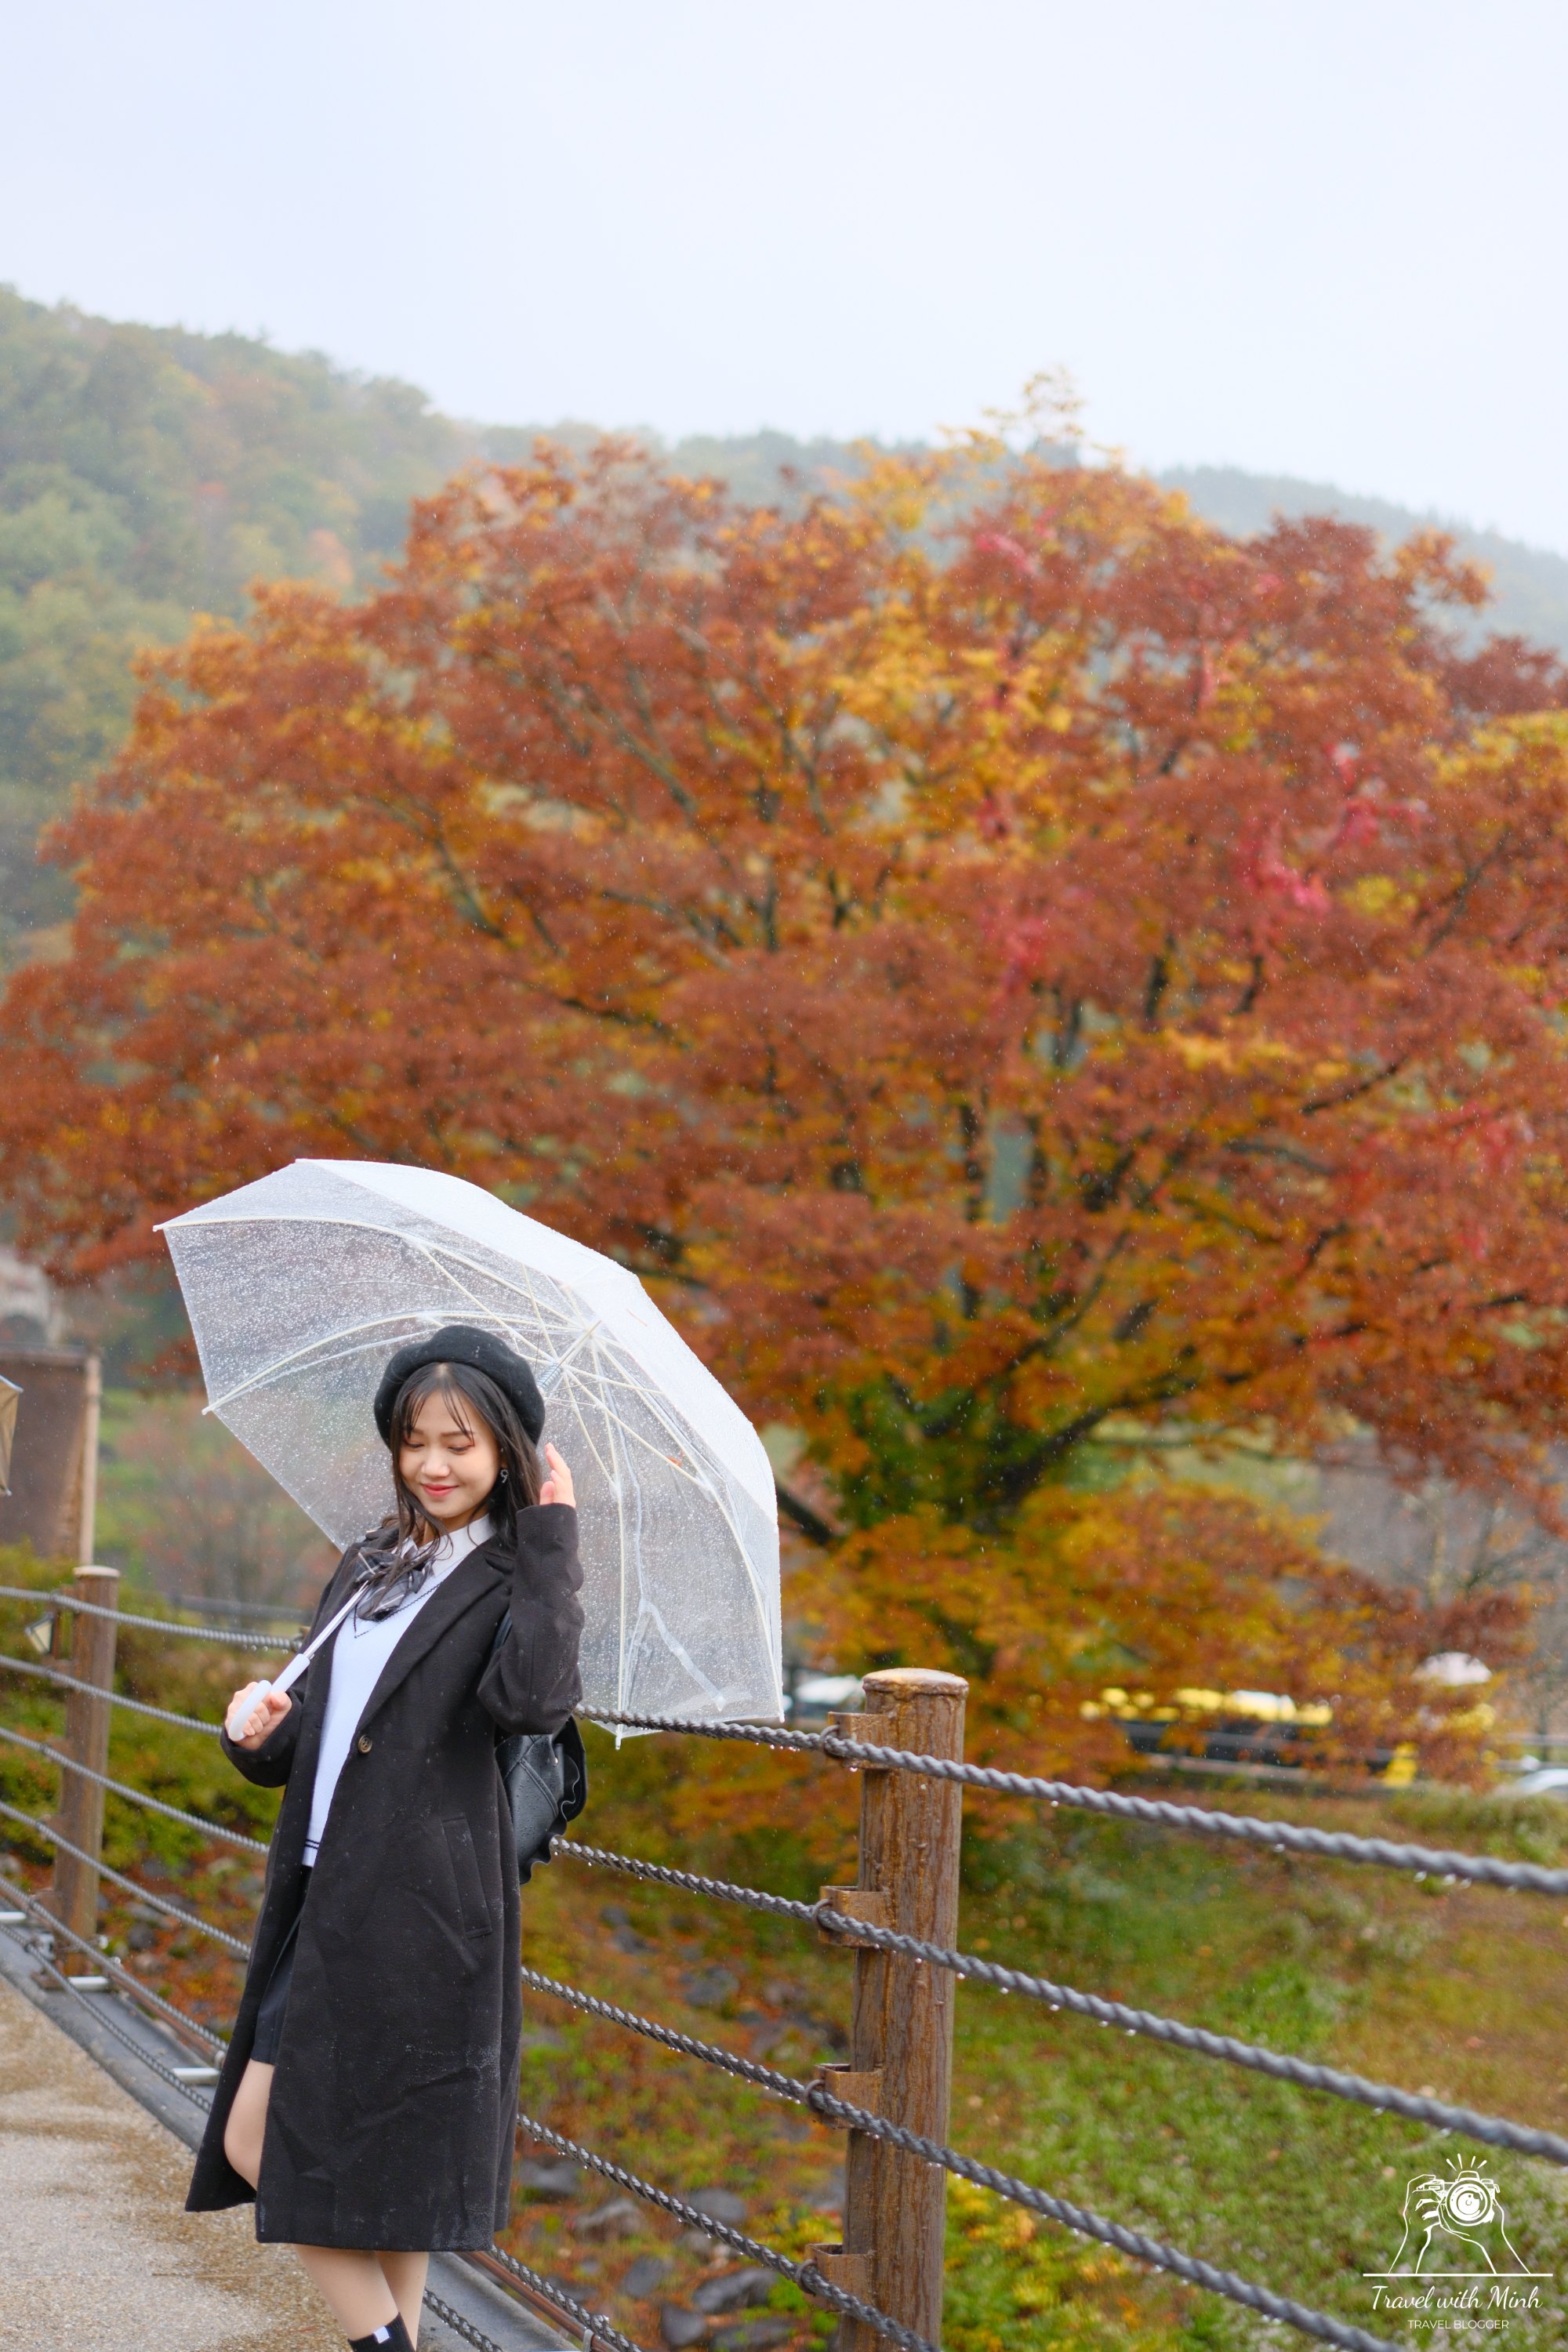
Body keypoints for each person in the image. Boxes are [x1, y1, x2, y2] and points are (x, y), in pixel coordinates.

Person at [186, 1324, 585, 2352]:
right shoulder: (375, 1561)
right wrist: (257, 1734)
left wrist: (553, 1543)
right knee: (379, 2186)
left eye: (459, 1442)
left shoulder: (516, 1574)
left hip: (423, 1917)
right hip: (325, 1897)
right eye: (414, 1441)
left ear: (505, 1449)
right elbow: (321, 1727)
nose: (433, 1464)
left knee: (276, 2143)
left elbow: (532, 1702)